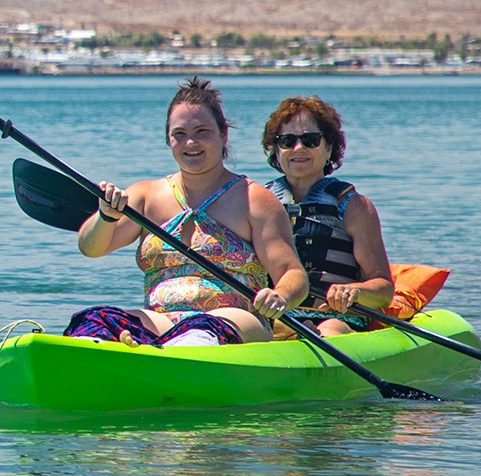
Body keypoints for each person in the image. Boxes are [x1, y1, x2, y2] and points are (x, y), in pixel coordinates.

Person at [68, 77, 311, 347]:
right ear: (168, 140)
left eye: (202, 131)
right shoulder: (144, 196)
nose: (190, 143)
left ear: (223, 134)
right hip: (160, 321)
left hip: (234, 320)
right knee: (95, 321)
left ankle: (155, 352)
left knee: (198, 331)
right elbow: (90, 248)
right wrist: (106, 217)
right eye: (179, 134)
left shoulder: (255, 200)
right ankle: (133, 349)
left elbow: (294, 275)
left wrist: (281, 296)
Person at [260, 95, 394, 337]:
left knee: (330, 329)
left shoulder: (353, 206)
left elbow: (383, 289)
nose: (298, 148)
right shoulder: (260, 202)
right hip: (279, 318)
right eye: (287, 141)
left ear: (329, 147)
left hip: (337, 319)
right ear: (275, 150)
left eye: (310, 140)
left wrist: (354, 292)